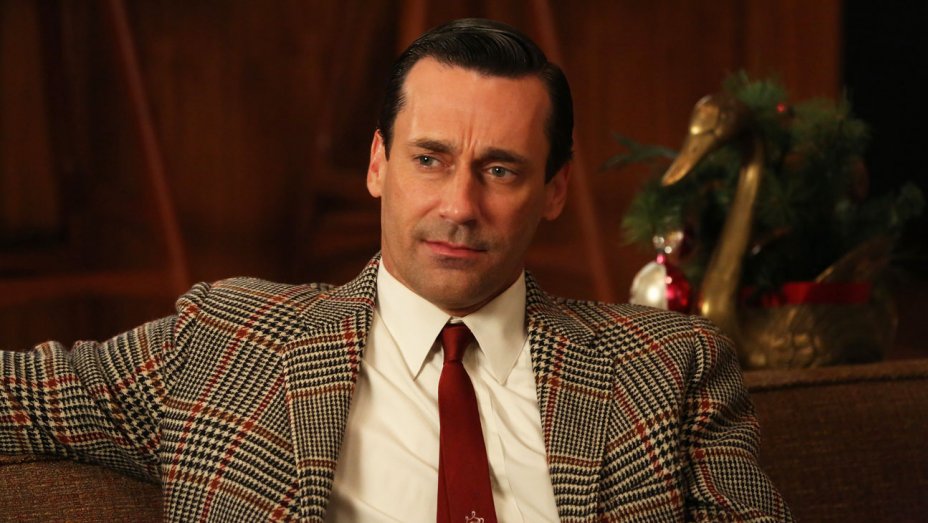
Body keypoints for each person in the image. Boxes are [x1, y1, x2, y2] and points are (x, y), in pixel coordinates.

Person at [0, 18, 791, 522]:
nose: (459, 205)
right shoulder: (224, 340)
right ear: (378, 163)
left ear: (554, 191)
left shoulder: (670, 369)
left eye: (501, 170)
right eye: (429, 159)